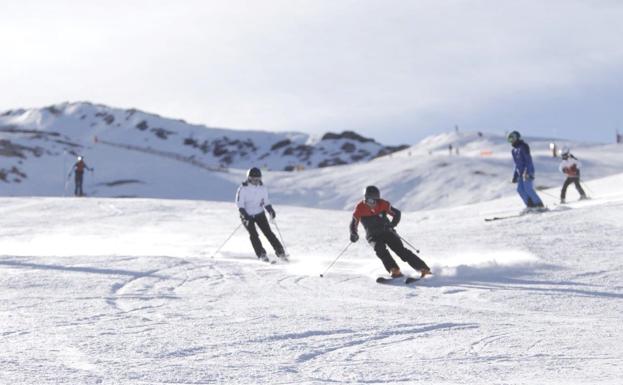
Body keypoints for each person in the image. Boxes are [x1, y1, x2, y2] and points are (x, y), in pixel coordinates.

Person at [349, 186, 431, 279]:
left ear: (377, 199)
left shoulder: (383, 204)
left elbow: (397, 213)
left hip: (387, 232)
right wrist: (353, 233)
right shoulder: (360, 208)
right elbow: (354, 223)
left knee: (401, 250)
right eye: (367, 200)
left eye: (373, 201)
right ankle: (394, 270)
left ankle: (423, 268)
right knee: (380, 250)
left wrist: (392, 224)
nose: (370, 203)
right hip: (373, 235)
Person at [235, 167, 286, 263]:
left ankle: (281, 253)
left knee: (268, 233)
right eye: (254, 179)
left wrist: (270, 210)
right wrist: (244, 214)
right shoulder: (242, 189)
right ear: (249, 178)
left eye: (258, 179)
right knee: (253, 234)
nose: (256, 181)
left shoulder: (262, 188)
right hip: (247, 215)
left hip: (259, 214)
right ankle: (261, 254)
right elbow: (239, 204)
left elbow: (266, 201)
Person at [507, 131, 544, 211]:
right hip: (520, 174)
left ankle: (539, 205)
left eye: (512, 138)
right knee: (520, 190)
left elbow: (528, 161)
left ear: (517, 137)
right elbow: (517, 164)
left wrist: (528, 172)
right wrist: (515, 175)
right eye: (509, 139)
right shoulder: (514, 151)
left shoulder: (523, 146)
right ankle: (531, 206)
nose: (511, 141)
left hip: (527, 172)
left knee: (528, 188)